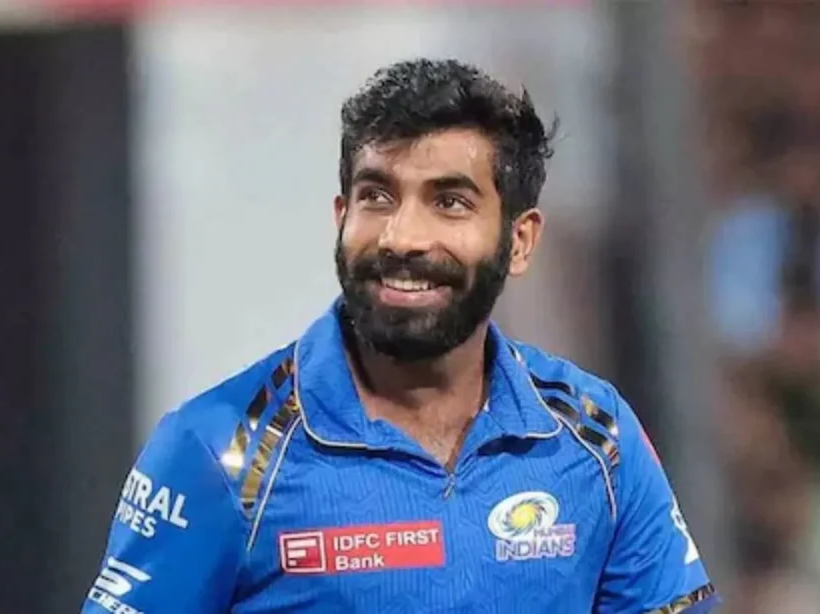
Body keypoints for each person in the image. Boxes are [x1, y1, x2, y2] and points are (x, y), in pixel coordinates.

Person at [82, 58, 719, 613]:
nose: (402, 237)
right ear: (341, 217)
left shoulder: (597, 437)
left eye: (450, 202)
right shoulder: (216, 451)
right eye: (377, 197)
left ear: (520, 241)